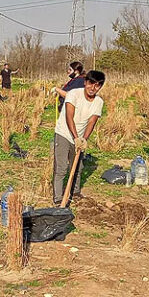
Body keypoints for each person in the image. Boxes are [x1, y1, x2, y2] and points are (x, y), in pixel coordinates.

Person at [52, 70, 106, 206]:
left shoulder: (98, 102)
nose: (93, 88)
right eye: (91, 83)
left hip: (80, 137)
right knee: (61, 167)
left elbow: (91, 122)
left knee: (77, 167)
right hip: (64, 133)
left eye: (97, 85)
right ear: (85, 82)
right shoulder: (73, 94)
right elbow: (68, 116)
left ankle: (75, 193)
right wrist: (76, 137)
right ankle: (58, 199)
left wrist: (83, 139)